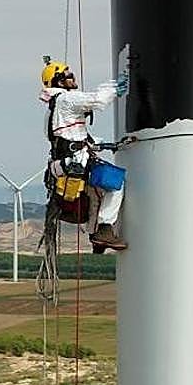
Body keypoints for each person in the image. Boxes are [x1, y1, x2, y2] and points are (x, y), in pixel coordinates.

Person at [40, 59, 130, 251]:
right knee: (116, 184)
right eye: (68, 74)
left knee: (95, 194)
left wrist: (103, 145)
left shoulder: (54, 108)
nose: (73, 77)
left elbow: (70, 136)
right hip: (76, 161)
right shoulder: (66, 99)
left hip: (64, 164)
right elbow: (97, 100)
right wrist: (116, 86)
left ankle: (95, 235)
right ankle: (104, 230)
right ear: (59, 81)